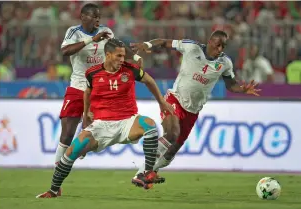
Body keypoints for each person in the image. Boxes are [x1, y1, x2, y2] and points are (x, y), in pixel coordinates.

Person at [36, 38, 175, 198]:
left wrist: (162, 102)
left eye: (123, 56)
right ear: (108, 55)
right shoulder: (92, 73)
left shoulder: (130, 70)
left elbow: (149, 80)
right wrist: (86, 115)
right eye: (118, 56)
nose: (122, 60)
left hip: (127, 122)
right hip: (101, 126)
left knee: (149, 125)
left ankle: (147, 172)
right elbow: (87, 93)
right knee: (70, 153)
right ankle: (54, 190)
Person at [130, 30, 261, 186]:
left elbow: (231, 84)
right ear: (210, 41)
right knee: (172, 133)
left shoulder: (225, 63)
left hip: (193, 111)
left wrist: (242, 89)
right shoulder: (192, 47)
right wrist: (146, 44)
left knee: (172, 151)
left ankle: (153, 170)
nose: (220, 49)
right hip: (175, 99)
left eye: (223, 46)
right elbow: (164, 41)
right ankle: (141, 173)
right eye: (218, 45)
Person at [55, 3, 114, 171]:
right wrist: (90, 40)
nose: (97, 19)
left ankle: (81, 144)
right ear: (83, 17)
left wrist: (136, 55)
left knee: (94, 134)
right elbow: (65, 51)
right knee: (66, 134)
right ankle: (57, 174)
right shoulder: (74, 32)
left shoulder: (107, 32)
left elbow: (118, 48)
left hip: (98, 89)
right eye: (94, 16)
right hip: (78, 86)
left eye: (99, 16)